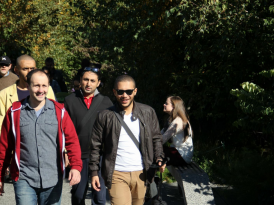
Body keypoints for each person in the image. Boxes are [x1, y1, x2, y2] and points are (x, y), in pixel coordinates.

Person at [0, 69, 83, 205]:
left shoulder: (60, 111)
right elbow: (5, 146)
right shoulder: (14, 112)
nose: (41, 90)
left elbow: (72, 141)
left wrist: (76, 167)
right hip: (24, 178)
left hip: (53, 178)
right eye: (36, 85)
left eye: (44, 86)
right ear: (28, 86)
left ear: (48, 87)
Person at [89, 75, 165, 205]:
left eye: (129, 91)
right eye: (120, 91)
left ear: (135, 91)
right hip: (116, 173)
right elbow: (95, 146)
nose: (125, 95)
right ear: (114, 92)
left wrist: (159, 158)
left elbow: (156, 138)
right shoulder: (105, 116)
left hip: (142, 173)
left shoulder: (148, 112)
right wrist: (94, 172)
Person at [64, 67, 113, 205]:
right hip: (78, 155)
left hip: (100, 156)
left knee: (99, 196)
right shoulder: (70, 100)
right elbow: (63, 129)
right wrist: (66, 151)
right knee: (78, 195)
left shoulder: (106, 102)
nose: (88, 83)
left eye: (92, 80)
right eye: (85, 79)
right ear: (80, 81)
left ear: (98, 83)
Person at [0, 55, 56, 158]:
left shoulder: (47, 91)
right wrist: (1, 156)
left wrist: (64, 151)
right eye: (25, 69)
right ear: (16, 70)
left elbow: (56, 121)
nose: (29, 72)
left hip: (45, 153)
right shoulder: (4, 95)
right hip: (17, 154)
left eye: (32, 69)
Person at [161, 96, 193, 167]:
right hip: (178, 153)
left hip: (182, 156)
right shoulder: (171, 120)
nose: (164, 105)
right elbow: (160, 135)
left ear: (173, 106)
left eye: (166, 103)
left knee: (152, 152)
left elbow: (162, 140)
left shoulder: (178, 121)